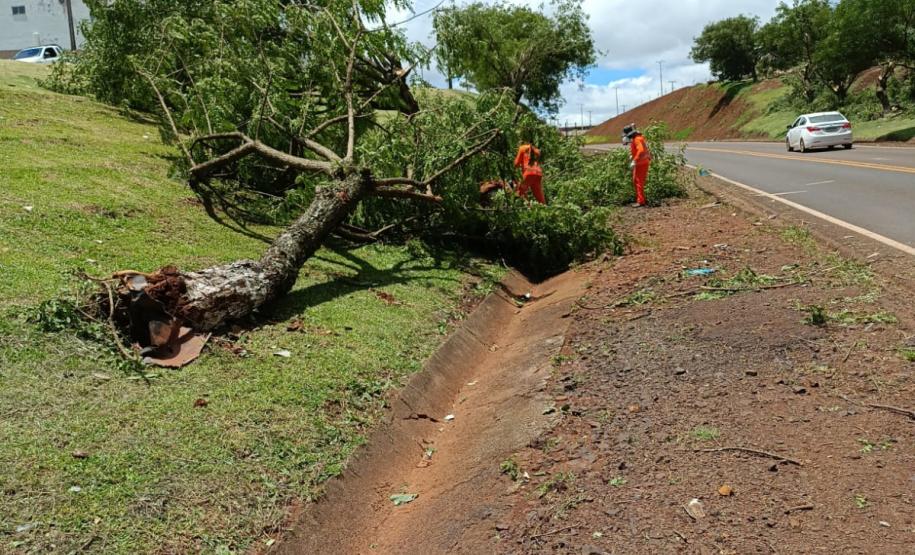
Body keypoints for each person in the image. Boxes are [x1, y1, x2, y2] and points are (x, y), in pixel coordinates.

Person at [623, 124, 650, 207]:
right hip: (641, 162)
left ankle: (641, 201)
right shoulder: (637, 138)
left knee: (638, 182)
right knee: (636, 180)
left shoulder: (637, 139)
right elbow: (638, 149)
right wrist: (633, 155)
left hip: (641, 163)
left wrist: (634, 160)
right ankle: (640, 199)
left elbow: (641, 150)